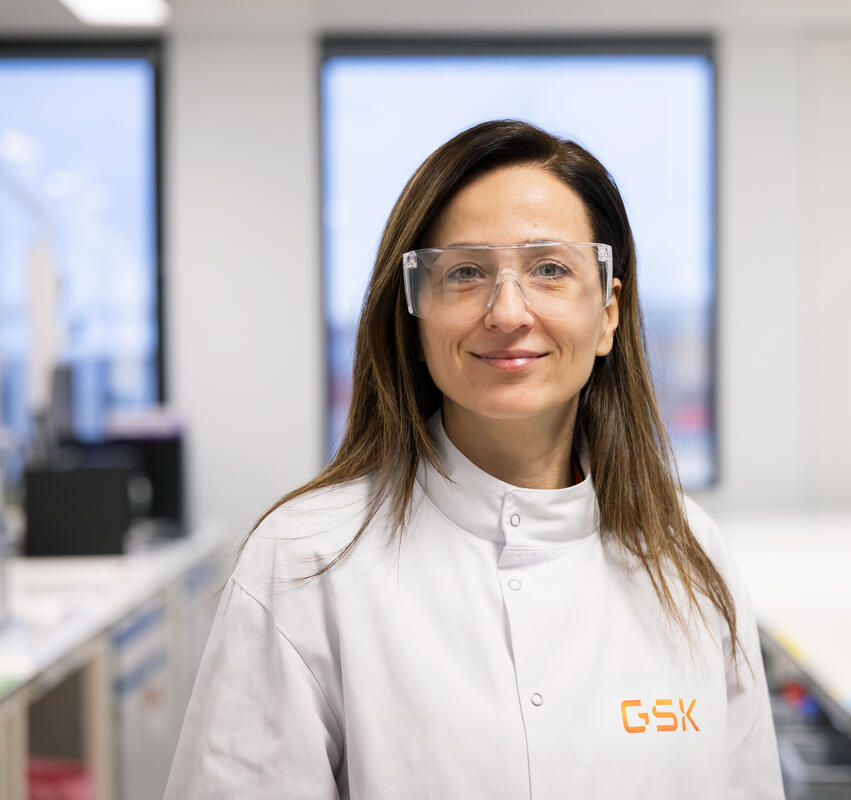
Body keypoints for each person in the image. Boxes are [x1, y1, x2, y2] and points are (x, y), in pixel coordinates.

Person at [164, 119, 784, 799]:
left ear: (608, 313)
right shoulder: (306, 562)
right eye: (465, 273)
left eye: (550, 269)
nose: (507, 311)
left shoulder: (689, 555)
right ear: (416, 314)